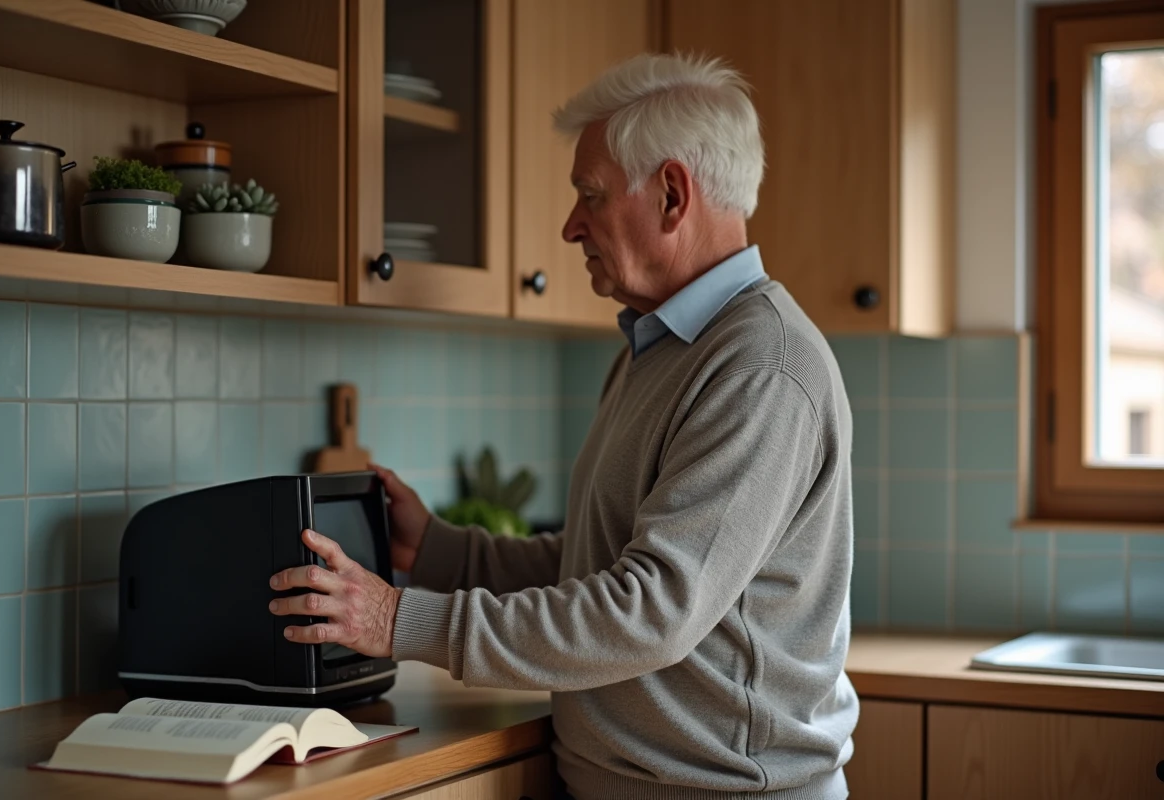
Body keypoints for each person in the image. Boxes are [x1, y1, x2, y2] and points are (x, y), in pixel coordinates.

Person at [267, 52, 860, 799]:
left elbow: (649, 612)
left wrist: (400, 620)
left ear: (673, 195)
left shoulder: (759, 367)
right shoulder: (658, 348)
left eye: (590, 195)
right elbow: (602, 563)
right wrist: (442, 551)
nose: (570, 225)